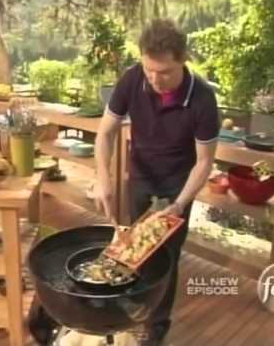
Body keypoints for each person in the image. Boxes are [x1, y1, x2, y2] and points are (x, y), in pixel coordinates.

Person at [94, 18, 220, 345]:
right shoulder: (132, 79)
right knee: (131, 245)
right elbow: (105, 133)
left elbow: (204, 162)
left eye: (163, 72)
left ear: (182, 60)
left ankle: (156, 325)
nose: (154, 79)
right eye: (149, 69)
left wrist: (178, 205)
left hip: (179, 183)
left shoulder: (203, 99)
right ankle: (130, 305)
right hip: (140, 174)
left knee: (166, 256)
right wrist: (103, 177)